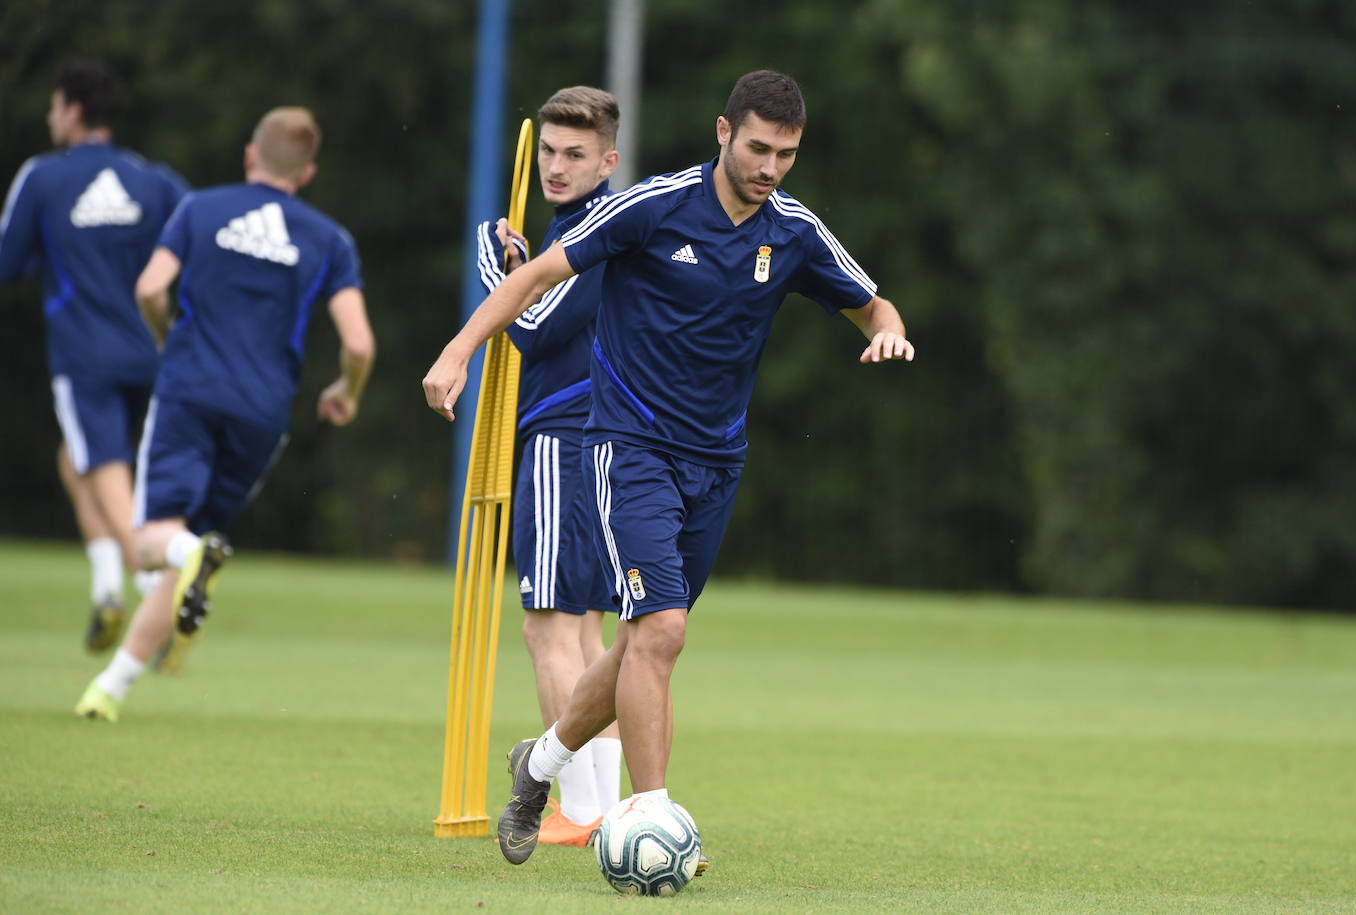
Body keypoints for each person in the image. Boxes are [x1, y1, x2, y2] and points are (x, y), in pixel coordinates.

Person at [423, 70, 914, 864]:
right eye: (758, 147)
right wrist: (456, 354)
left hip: (717, 462)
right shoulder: (651, 205)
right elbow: (536, 275)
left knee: (640, 644)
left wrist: (886, 330)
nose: (771, 166)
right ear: (724, 134)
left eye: (786, 153)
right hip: (629, 445)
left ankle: (538, 762)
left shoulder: (792, 231)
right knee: (661, 629)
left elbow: (871, 303)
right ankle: (649, 817)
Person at [74, 106, 375, 722]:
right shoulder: (329, 240)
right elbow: (361, 344)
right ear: (308, 172)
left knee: (156, 543)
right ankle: (111, 688)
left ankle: (185, 565)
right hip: (263, 412)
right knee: (196, 541)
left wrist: (166, 338)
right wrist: (346, 389)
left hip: (189, 390)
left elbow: (150, 288)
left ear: (248, 155)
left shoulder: (199, 209)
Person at [474, 86, 626, 846]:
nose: (557, 169)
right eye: (550, 155)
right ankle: (607, 808)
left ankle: (582, 806)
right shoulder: (584, 226)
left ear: (609, 160)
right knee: (588, 633)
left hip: (565, 436)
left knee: (546, 629)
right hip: (601, 438)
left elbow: (530, 326)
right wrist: (526, 263)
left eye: (576, 155)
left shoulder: (595, 229)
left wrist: (494, 265)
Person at [0, 60, 189, 652]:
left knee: (103, 466)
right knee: (73, 459)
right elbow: (199, 239)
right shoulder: (151, 179)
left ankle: (158, 586)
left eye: (55, 106)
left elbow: (6, 261)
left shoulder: (43, 176)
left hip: (83, 356)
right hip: (152, 351)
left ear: (74, 111)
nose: (49, 116)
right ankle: (108, 586)